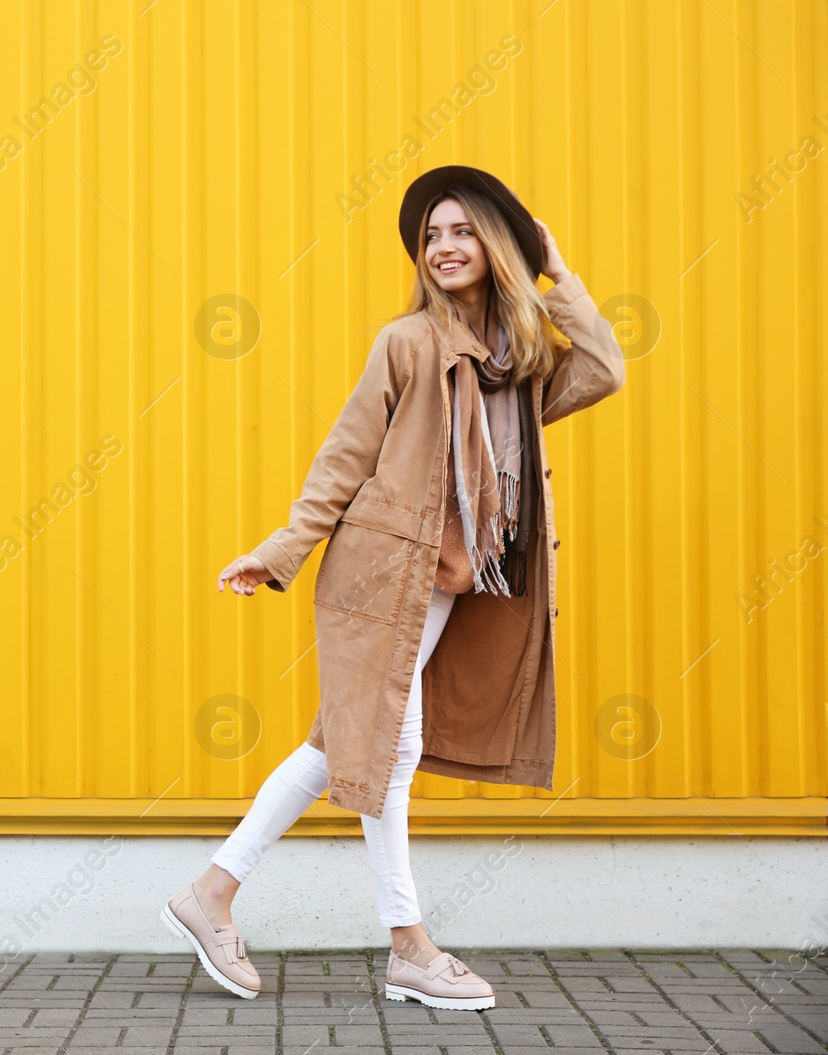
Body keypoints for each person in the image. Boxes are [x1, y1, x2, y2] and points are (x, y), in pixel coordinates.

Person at [160, 165, 628, 1011]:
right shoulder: (407, 343)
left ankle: (212, 892)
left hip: (448, 581)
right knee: (391, 748)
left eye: (461, 231)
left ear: (497, 244)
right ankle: (409, 945)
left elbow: (602, 368)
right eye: (431, 237)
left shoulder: (518, 363)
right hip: (381, 572)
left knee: (342, 747)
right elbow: (345, 456)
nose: (444, 248)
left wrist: (558, 273)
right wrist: (282, 548)